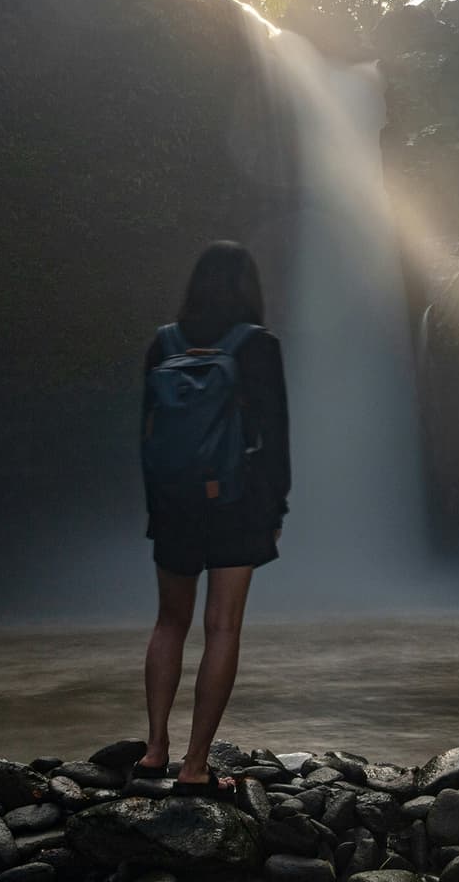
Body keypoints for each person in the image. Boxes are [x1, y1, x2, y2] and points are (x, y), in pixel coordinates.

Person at [136, 240, 290, 796]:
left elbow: (147, 434)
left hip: (173, 503)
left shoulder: (163, 343)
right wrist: (277, 506)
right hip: (236, 501)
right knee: (221, 626)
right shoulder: (257, 345)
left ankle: (153, 750)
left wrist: (157, 506)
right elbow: (274, 435)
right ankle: (195, 765)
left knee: (168, 622)